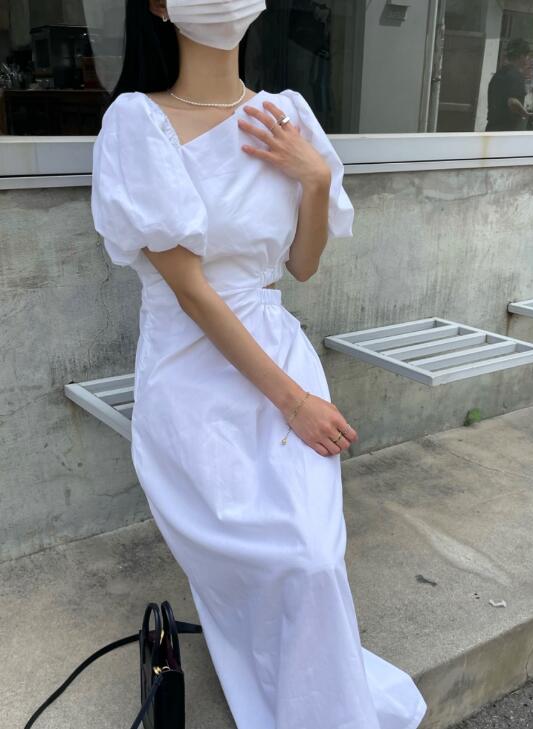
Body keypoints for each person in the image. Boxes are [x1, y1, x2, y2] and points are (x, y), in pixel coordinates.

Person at [90, 1, 428, 727]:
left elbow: (300, 266)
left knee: (313, 555)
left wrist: (314, 179)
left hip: (276, 345)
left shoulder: (287, 112)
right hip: (191, 370)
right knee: (276, 558)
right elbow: (190, 290)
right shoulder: (137, 123)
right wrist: (294, 401)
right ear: (160, 7)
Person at [486, 38, 533, 131]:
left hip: (492, 127)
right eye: (527, 56)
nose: (527, 59)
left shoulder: (498, 74)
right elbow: (512, 101)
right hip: (508, 129)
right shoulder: (516, 75)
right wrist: (526, 114)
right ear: (521, 56)